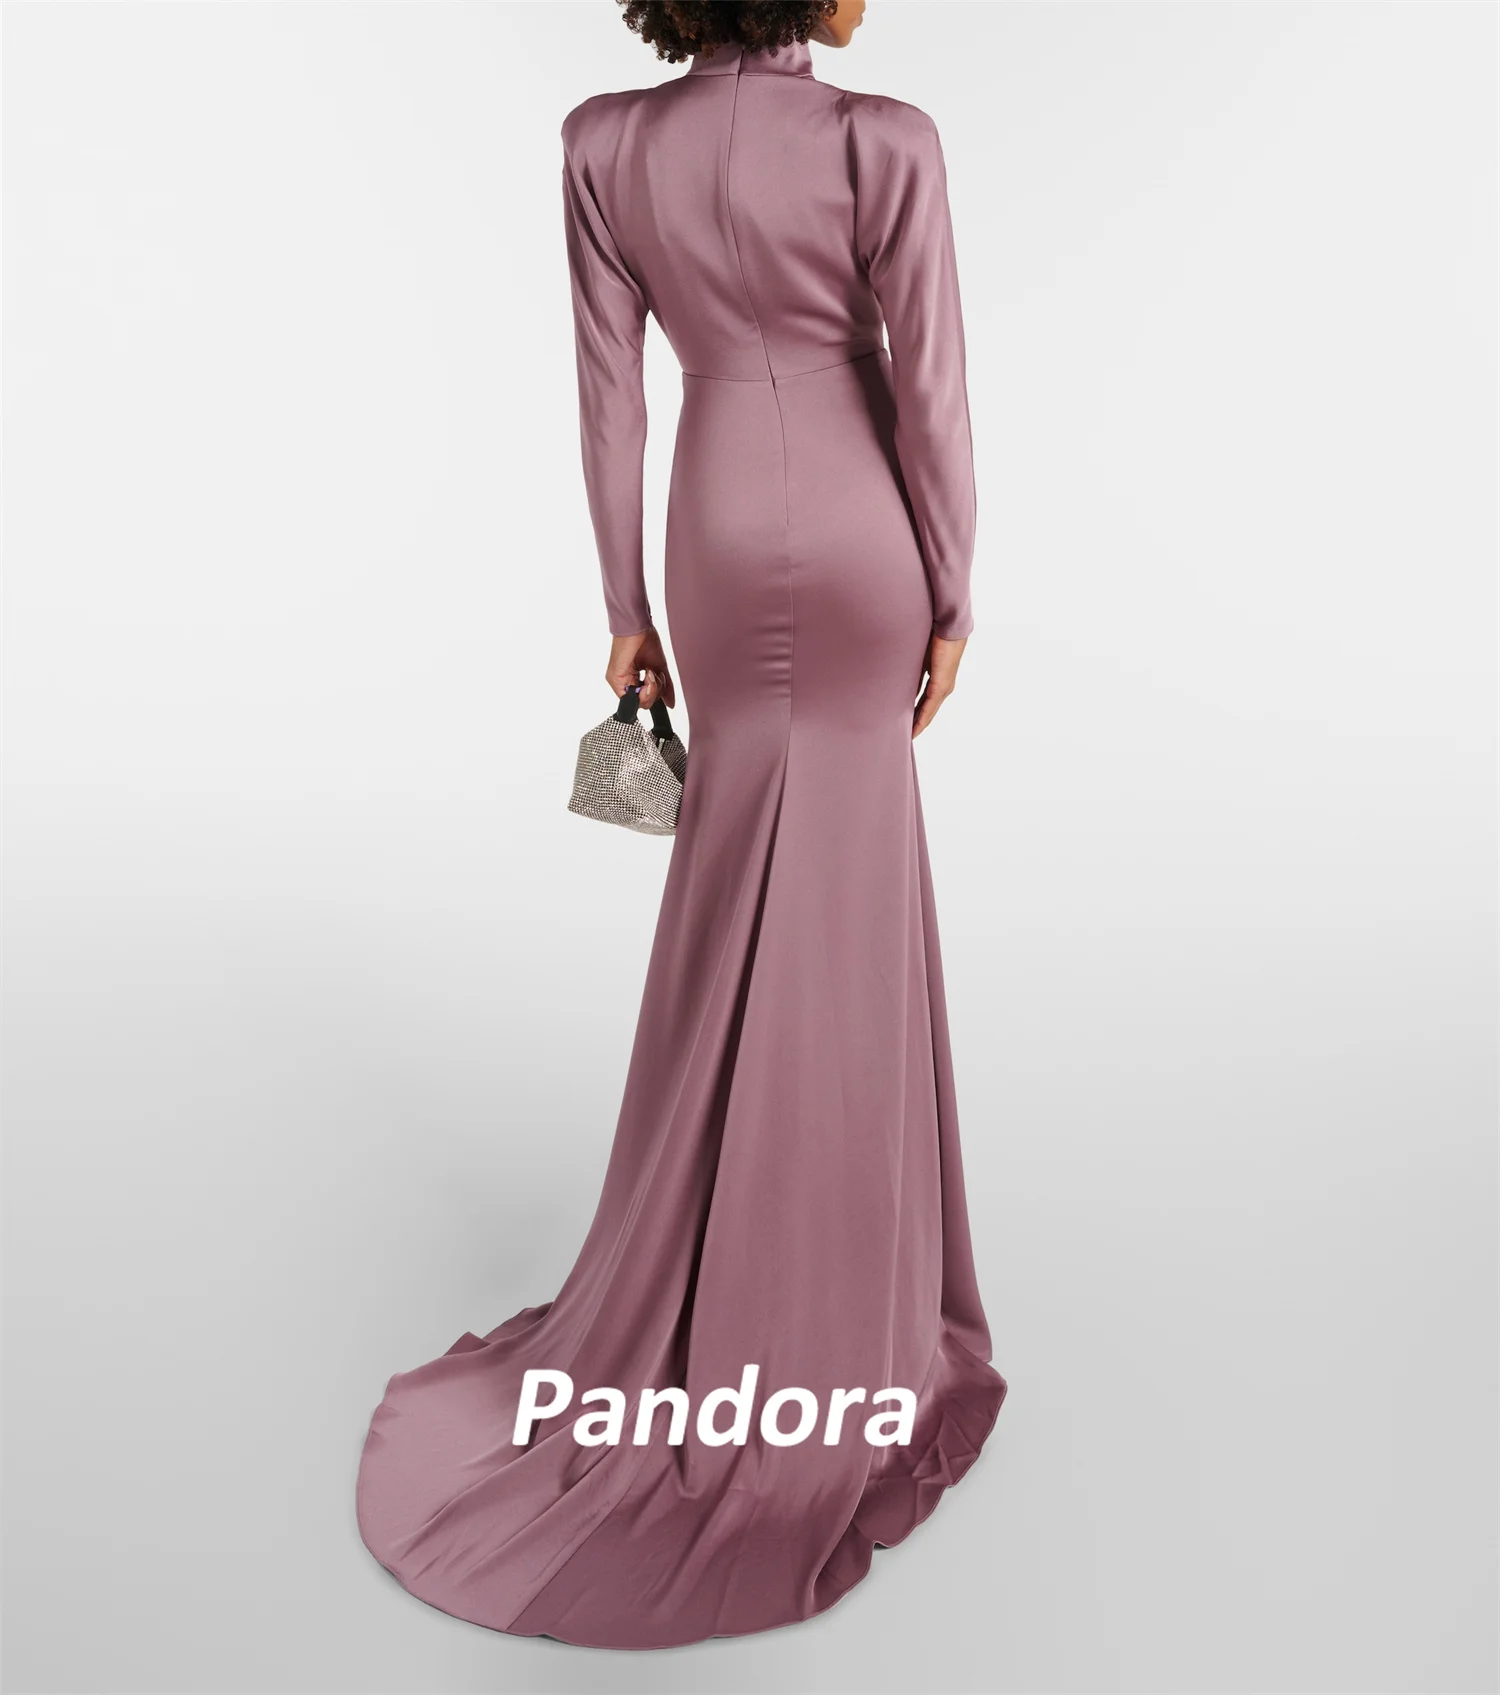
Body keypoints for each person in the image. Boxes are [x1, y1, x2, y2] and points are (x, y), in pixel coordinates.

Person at [357, 0, 1007, 1650]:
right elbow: (931, 393)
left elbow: (609, 400)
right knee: (849, 895)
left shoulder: (605, 146)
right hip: (861, 535)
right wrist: (954, 593)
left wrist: (624, 606)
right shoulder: (883, 143)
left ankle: (728, 1276)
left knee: (732, 892)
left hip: (713, 529)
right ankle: (836, 1317)